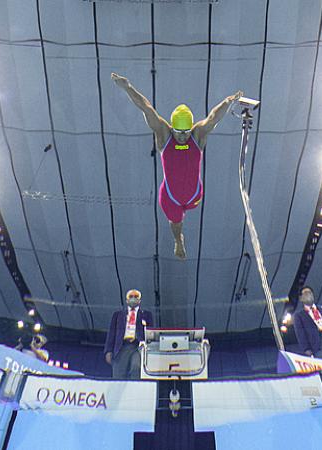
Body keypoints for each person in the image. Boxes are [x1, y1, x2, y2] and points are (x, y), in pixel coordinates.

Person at [112, 72, 243, 259]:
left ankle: (179, 232)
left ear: (191, 128)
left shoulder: (197, 135)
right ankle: (178, 240)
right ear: (172, 128)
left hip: (194, 194)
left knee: (186, 210)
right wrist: (127, 87)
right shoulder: (164, 135)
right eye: (178, 132)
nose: (182, 136)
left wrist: (227, 101)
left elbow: (213, 118)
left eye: (186, 132)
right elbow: (147, 109)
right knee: (175, 223)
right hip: (170, 197)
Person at [103, 289, 153, 379]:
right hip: (121, 346)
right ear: (126, 300)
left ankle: (135, 390)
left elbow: (151, 332)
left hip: (138, 347)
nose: (133, 298)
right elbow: (111, 333)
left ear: (139, 300)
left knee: (136, 368)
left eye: (136, 297)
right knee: (118, 374)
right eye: (131, 297)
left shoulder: (146, 315)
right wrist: (108, 350)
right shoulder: (118, 315)